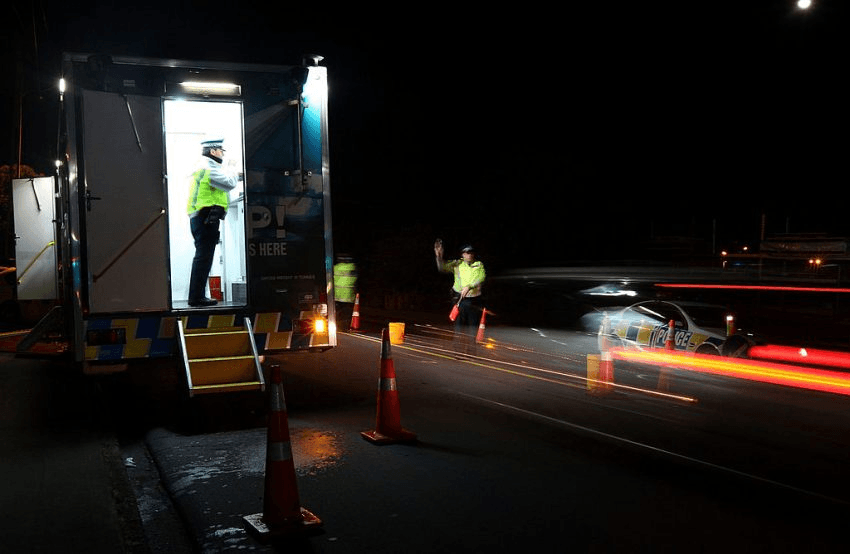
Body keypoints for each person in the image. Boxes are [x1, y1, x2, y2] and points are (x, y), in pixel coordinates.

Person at [186, 138, 240, 307]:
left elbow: (225, 184)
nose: (223, 153)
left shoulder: (209, 167)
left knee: (204, 257)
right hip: (205, 216)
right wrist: (232, 167)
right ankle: (196, 297)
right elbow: (230, 183)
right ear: (212, 151)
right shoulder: (208, 168)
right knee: (203, 258)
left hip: (206, 216)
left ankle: (197, 296)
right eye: (221, 150)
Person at [434, 240, 486, 352]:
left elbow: (481, 277)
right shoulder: (457, 264)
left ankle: (471, 353)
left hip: (474, 301)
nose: (470, 254)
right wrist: (439, 256)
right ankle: (458, 351)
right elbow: (442, 268)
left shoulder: (479, 264)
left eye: (471, 252)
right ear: (462, 254)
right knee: (459, 327)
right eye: (467, 252)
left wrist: (469, 286)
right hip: (460, 300)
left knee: (472, 328)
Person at [333, 254, 358, 331]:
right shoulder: (352, 267)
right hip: (348, 295)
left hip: (337, 295)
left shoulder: (335, 268)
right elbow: (355, 280)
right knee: (346, 314)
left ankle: (337, 327)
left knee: (338, 313)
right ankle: (345, 328)